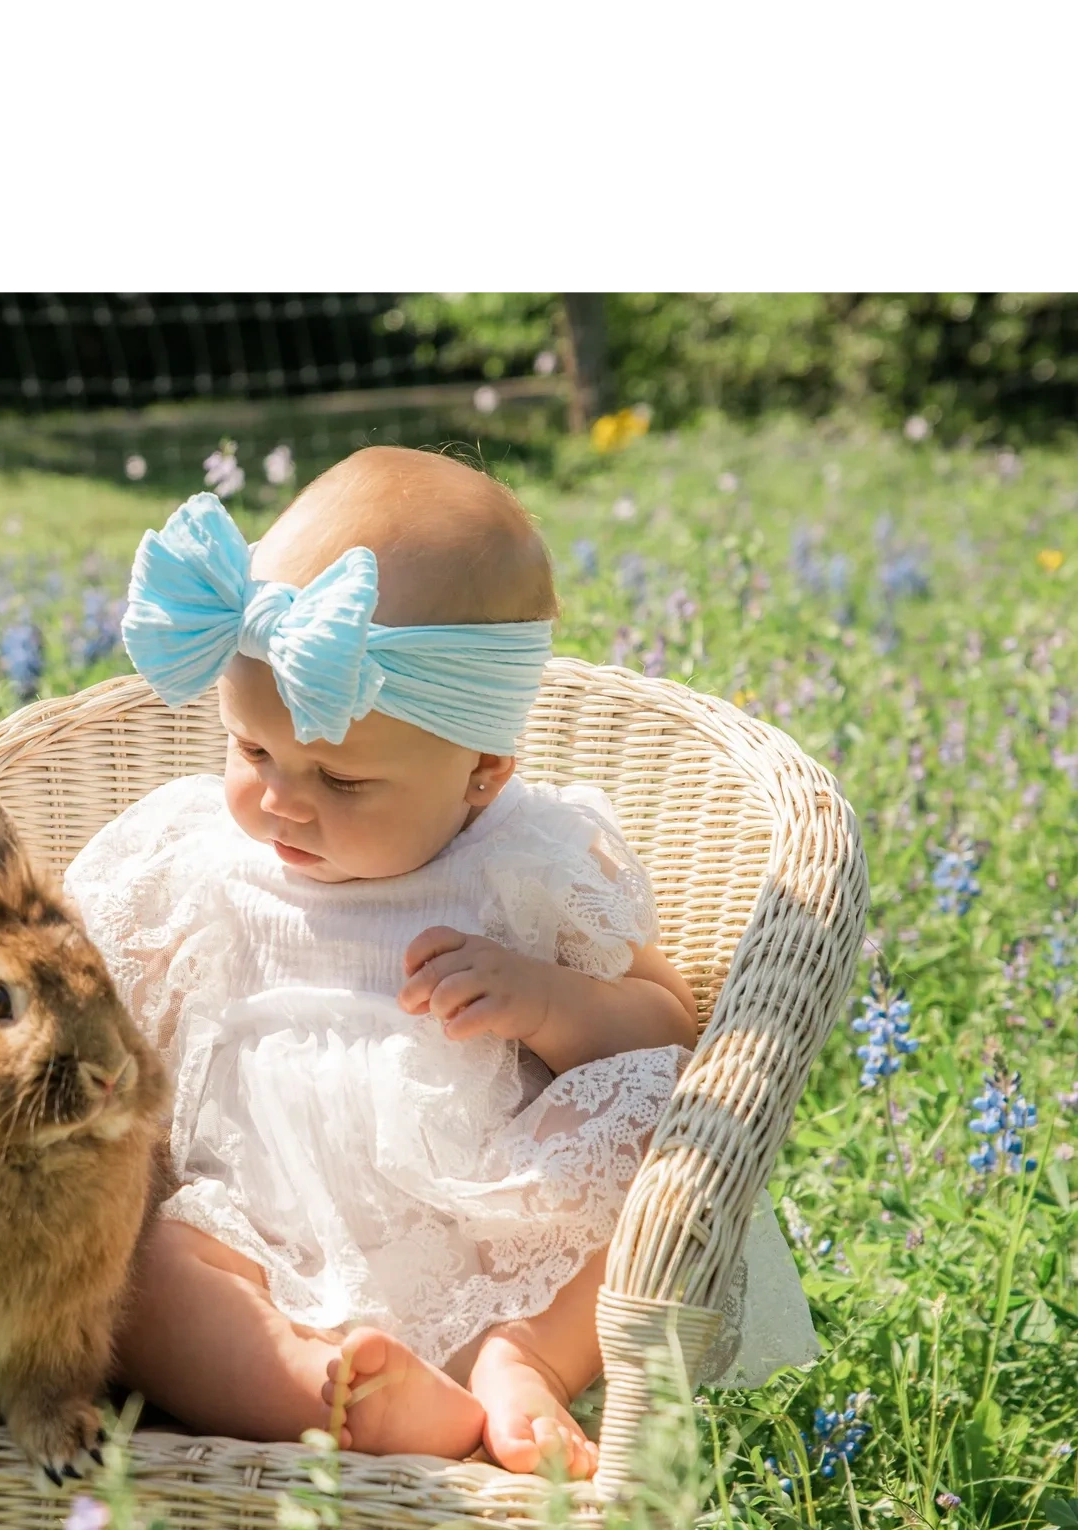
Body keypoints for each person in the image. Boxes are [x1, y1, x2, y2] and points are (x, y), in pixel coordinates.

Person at [64, 448, 806, 1477]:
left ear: (480, 773)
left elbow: (670, 1024)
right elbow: (90, 998)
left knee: (658, 1138)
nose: (279, 799)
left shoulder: (523, 861)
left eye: (339, 777)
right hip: (250, 1237)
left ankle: (521, 1360)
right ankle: (314, 1384)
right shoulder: (193, 859)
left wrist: (546, 1001)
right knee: (140, 1276)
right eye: (251, 751)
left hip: (486, 1230)